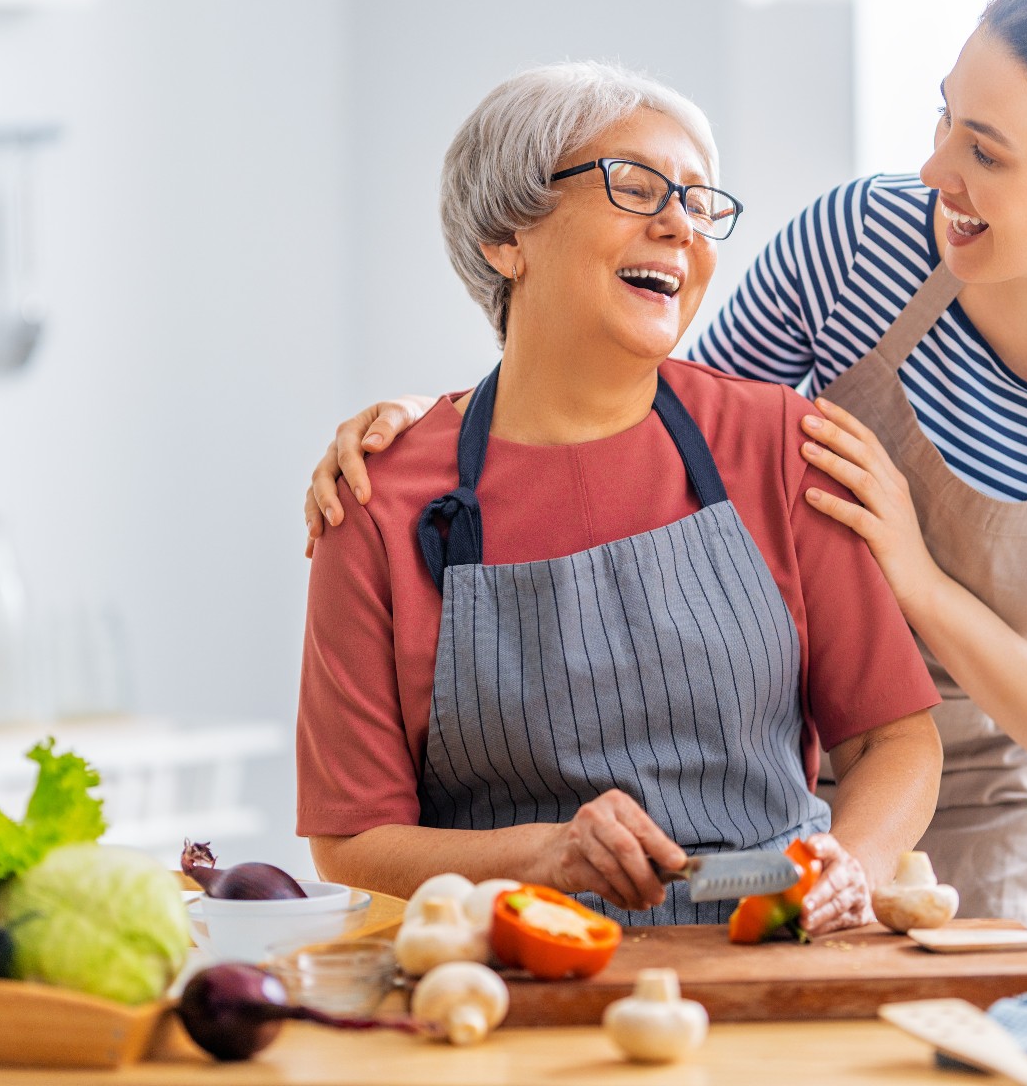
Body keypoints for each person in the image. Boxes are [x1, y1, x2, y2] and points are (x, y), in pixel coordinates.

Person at [304, 0, 1027, 929]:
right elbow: (649, 412)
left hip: (975, 772)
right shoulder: (867, 242)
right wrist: (442, 426)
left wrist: (916, 577)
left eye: (987, 152)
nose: (934, 169)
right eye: (944, 115)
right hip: (767, 724)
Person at [298, 62, 943, 933]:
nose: (680, 224)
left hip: (780, 957)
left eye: (698, 202)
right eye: (635, 187)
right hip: (518, 985)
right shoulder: (377, 499)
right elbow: (354, 840)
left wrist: (851, 870)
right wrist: (542, 855)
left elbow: (893, 741)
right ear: (505, 236)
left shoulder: (782, 445)